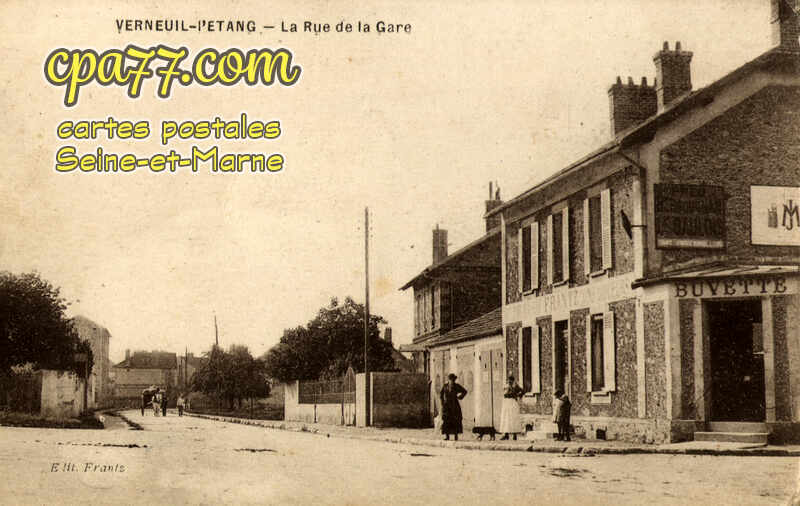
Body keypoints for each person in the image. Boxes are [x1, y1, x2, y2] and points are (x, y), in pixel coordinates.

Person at [439, 373, 467, 441]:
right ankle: (447, 436)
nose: (452, 381)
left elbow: (465, 391)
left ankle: (456, 436)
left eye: (453, 380)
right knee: (446, 421)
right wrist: (442, 403)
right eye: (450, 379)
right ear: (448, 380)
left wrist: (460, 397)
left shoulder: (457, 386)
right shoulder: (445, 386)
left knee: (455, 421)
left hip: (454, 406)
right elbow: (441, 394)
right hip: (447, 406)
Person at [499, 375, 524, 440]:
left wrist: (517, 395)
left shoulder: (515, 386)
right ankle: (506, 434)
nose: (509, 381)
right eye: (508, 380)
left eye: (511, 380)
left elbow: (522, 391)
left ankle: (514, 435)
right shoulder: (506, 386)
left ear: (513, 380)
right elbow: (504, 393)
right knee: (506, 418)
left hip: (512, 402)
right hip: (506, 402)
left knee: (513, 418)